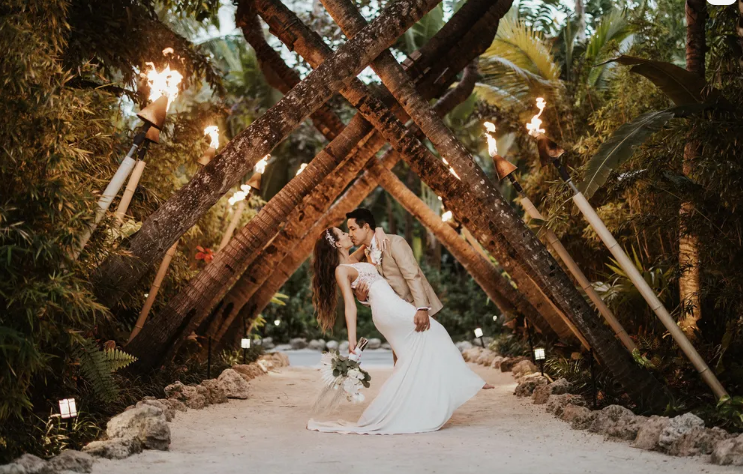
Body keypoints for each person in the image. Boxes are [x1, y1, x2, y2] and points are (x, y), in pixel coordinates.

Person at [307, 209, 492, 435]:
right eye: (344, 233)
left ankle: (417, 406)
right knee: (437, 333)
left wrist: (377, 233)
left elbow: (379, 249)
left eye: (351, 229)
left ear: (365, 227)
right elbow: (351, 305)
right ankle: (468, 382)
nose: (348, 234)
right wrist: (352, 341)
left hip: (391, 308)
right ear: (336, 244)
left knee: (409, 361)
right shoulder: (342, 268)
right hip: (390, 310)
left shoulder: (360, 254)